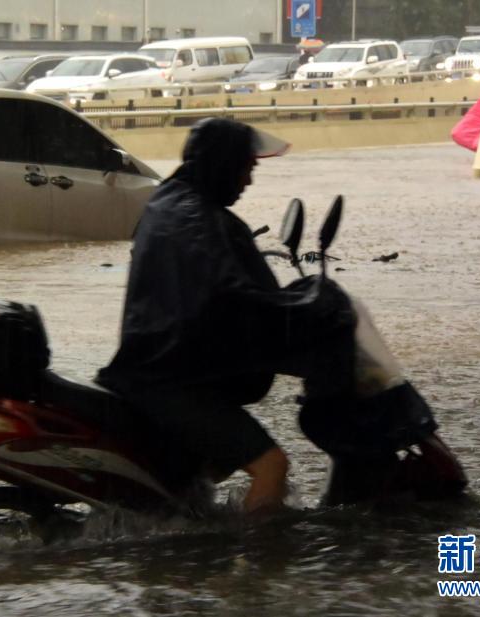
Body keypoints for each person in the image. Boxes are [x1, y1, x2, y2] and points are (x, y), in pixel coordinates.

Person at [96, 118, 355, 516]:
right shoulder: (196, 220)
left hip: (160, 368)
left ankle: (199, 545)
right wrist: (303, 314)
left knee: (205, 474)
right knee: (272, 465)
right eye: (246, 168)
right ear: (224, 164)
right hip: (168, 381)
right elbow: (233, 291)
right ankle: (254, 568)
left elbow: (229, 289)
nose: (249, 180)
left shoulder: (173, 201)